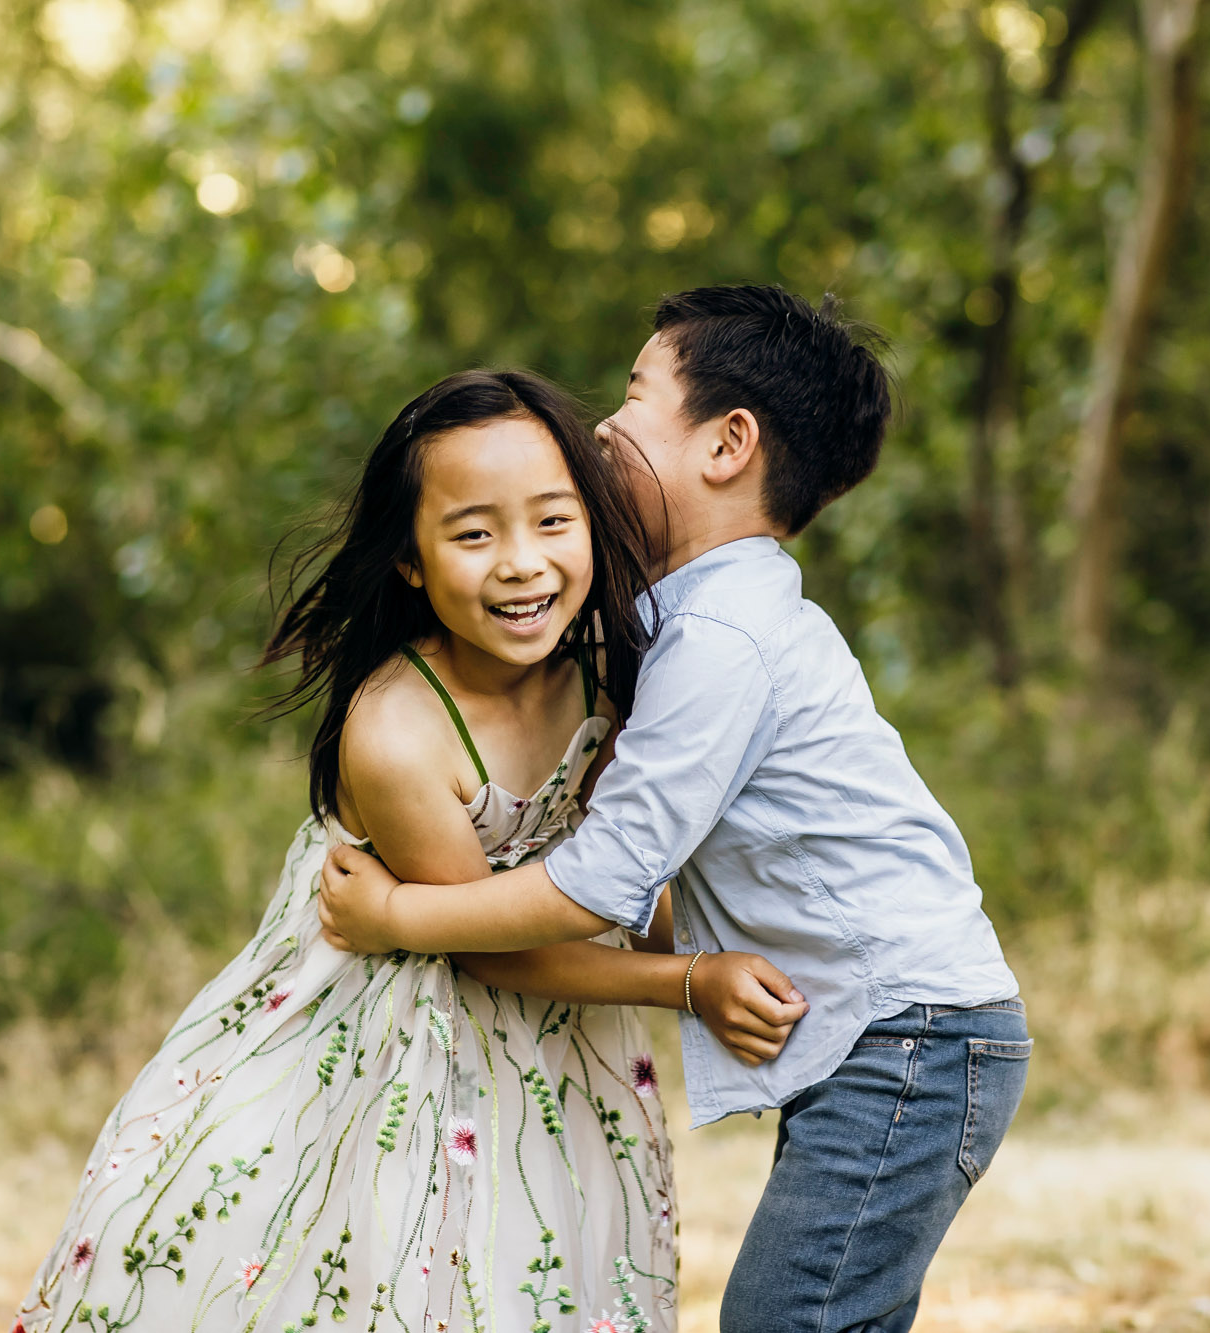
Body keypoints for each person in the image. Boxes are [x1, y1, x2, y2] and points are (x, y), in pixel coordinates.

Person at [12, 369, 803, 1333]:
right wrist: (690, 982)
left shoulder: (604, 672)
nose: (522, 564)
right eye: (474, 534)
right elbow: (485, 945)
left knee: (543, 1281)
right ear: (413, 563)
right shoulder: (396, 733)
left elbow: (620, 872)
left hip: (556, 1045)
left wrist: (742, 948)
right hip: (395, 1049)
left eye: (553, 522)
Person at [318, 288, 1029, 1333]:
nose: (602, 427)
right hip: (899, 1028)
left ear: (726, 444)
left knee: (789, 1318)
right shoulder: (676, 617)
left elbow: (603, 878)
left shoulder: (721, 640)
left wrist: (397, 919)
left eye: (634, 395)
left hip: (913, 1032)